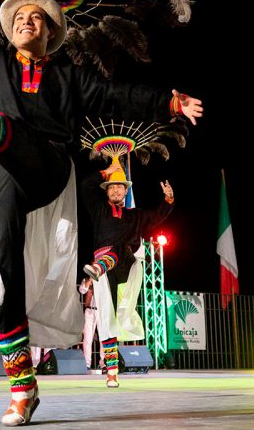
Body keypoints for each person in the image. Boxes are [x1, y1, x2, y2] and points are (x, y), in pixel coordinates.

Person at [0, 0, 202, 426]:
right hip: (2, 172)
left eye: (37, 17)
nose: (27, 21)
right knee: (1, 272)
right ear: (7, 26)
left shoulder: (68, 76)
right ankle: (23, 388)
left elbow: (118, 94)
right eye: (19, 16)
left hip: (50, 168)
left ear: (52, 32)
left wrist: (168, 103)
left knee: (17, 139)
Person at [81, 159, 175, 388]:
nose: (114, 190)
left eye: (119, 187)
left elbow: (157, 215)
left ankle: (99, 266)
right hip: (105, 272)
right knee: (107, 318)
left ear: (125, 191)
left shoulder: (136, 215)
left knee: (120, 248)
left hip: (126, 265)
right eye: (111, 187)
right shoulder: (99, 208)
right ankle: (111, 372)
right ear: (108, 191)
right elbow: (85, 185)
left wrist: (169, 199)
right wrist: (106, 172)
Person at [78, 277, 104, 370]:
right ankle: (87, 363)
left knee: (103, 338)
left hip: (101, 311)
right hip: (89, 311)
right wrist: (90, 280)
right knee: (88, 338)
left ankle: (103, 363)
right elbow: (82, 290)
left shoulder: (105, 279)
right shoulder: (87, 279)